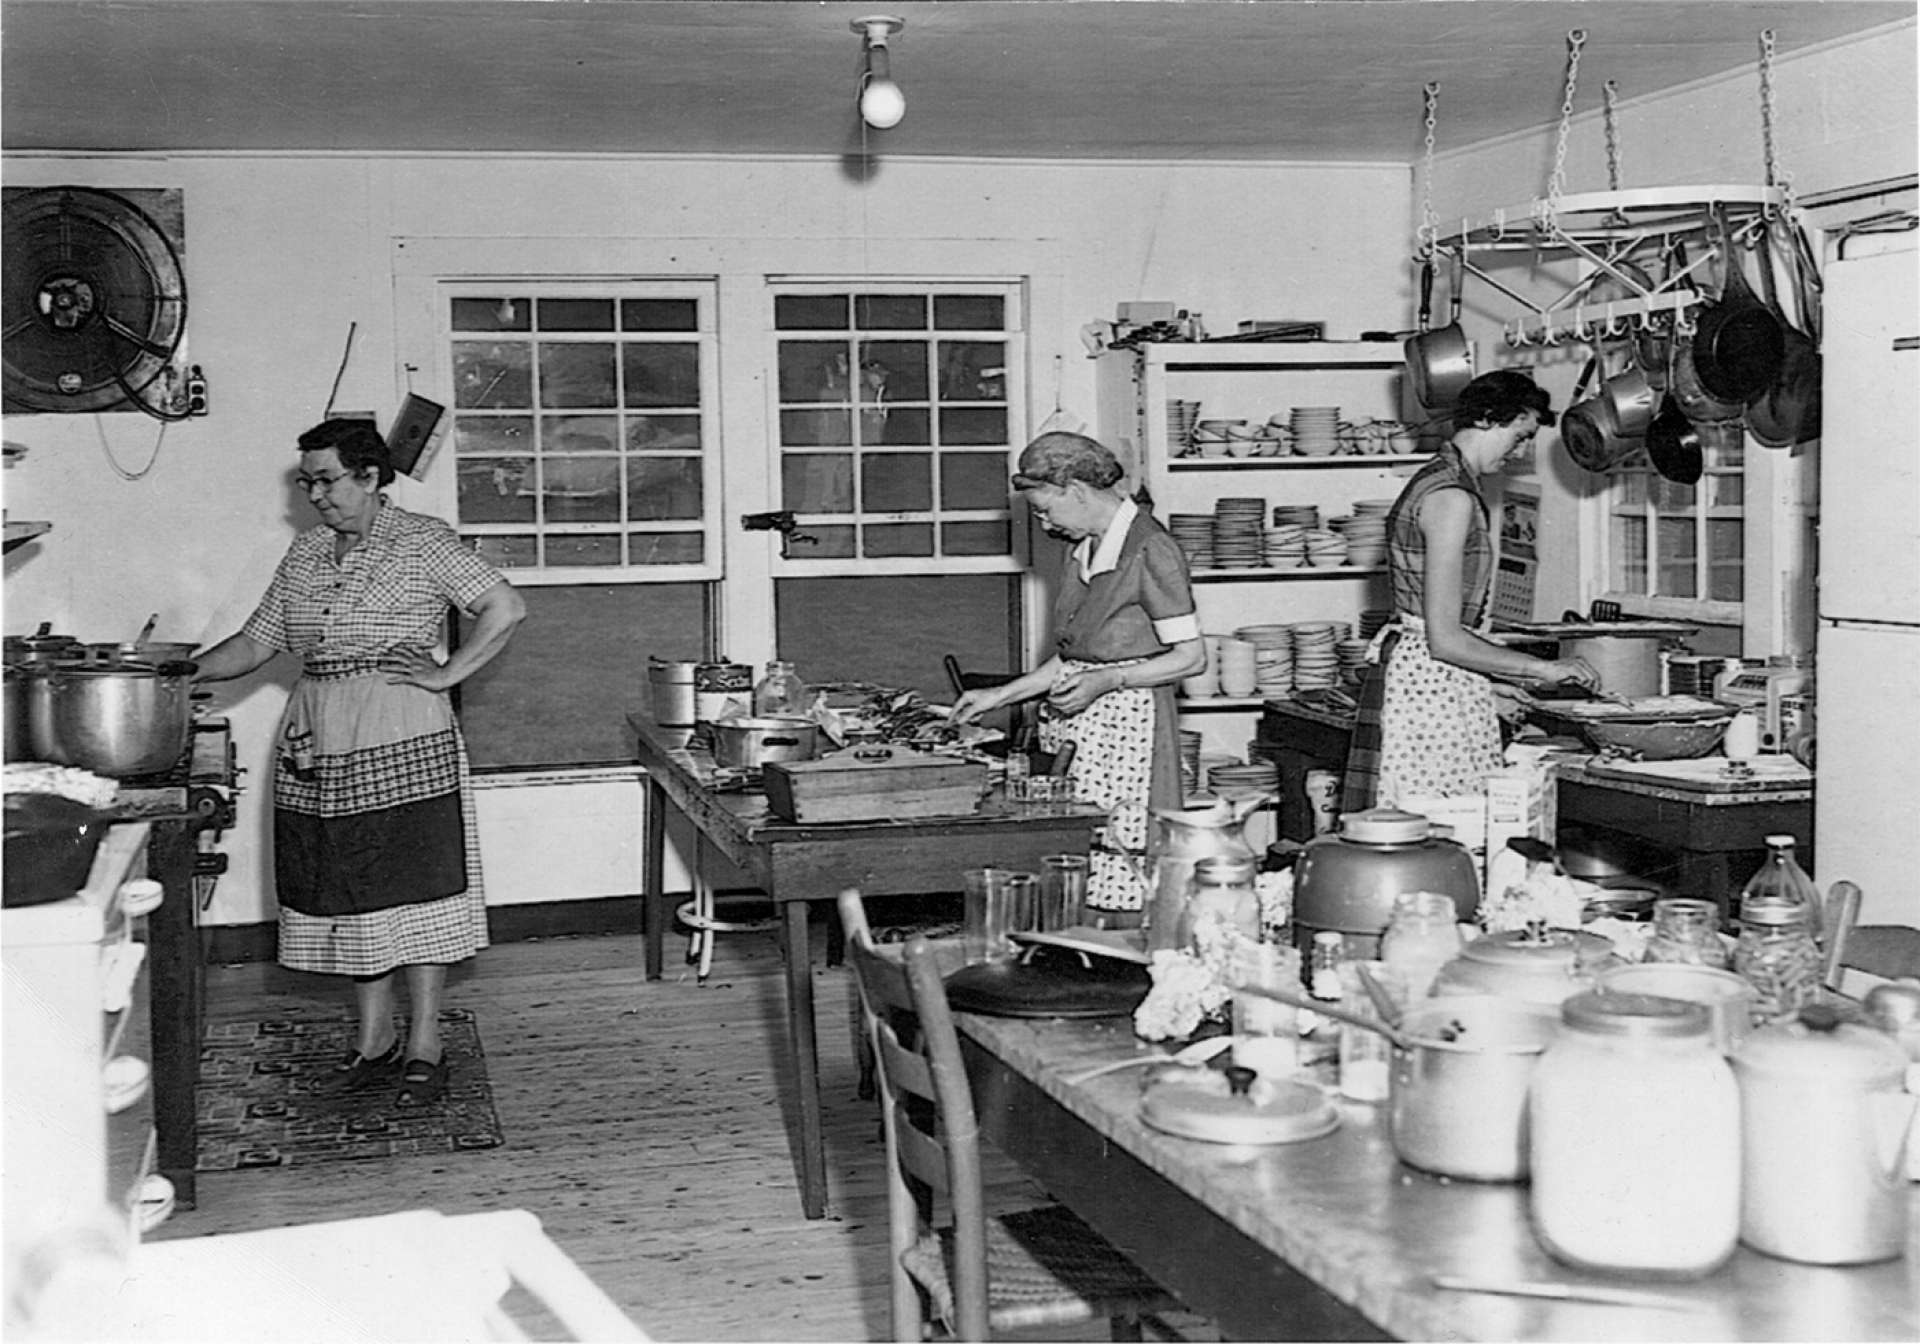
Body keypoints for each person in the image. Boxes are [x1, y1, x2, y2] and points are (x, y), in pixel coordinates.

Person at [194, 419, 526, 1106]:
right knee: (345, 885)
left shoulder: (422, 541)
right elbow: (256, 643)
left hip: (399, 726)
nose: (315, 495)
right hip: (317, 734)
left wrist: (447, 673)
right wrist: (173, 677)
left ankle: (426, 1041)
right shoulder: (308, 552)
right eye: (305, 481)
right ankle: (373, 1040)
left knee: (414, 883)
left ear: (370, 477)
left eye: (327, 480)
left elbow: (504, 606)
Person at [951, 431, 1205, 920]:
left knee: (1125, 856)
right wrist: (1000, 695)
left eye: (1045, 509)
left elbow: (1191, 658)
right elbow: (1076, 658)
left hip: (1132, 726)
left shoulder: (1151, 549)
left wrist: (1107, 682)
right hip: (1084, 722)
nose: (1044, 522)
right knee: (1078, 851)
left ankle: (1124, 959)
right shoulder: (1085, 549)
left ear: (1078, 491)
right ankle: (1078, 948)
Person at [1342, 370, 1599, 812]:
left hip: (1429, 682)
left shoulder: (1437, 481)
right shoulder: (1451, 498)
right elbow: (1444, 638)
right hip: (1429, 688)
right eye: (1519, 436)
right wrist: (1541, 670)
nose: (1519, 452)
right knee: (1439, 830)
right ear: (1485, 419)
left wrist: (1488, 688)